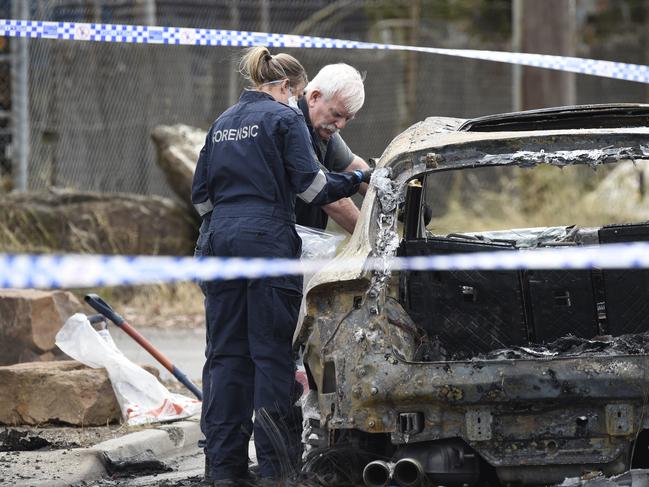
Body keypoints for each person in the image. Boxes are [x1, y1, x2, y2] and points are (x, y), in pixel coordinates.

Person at [191, 47, 371, 487]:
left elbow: (200, 197)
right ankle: (278, 473)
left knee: (225, 360)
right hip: (267, 242)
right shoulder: (285, 118)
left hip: (217, 244)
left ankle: (223, 472)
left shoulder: (223, 122)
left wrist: (229, 222)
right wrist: (362, 179)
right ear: (291, 89)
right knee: (272, 359)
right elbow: (312, 189)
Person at [294, 63, 372, 234]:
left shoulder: (321, 129)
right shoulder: (291, 125)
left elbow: (354, 165)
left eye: (348, 119)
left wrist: (400, 201)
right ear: (314, 97)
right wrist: (373, 239)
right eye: (337, 114)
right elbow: (332, 200)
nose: (341, 125)